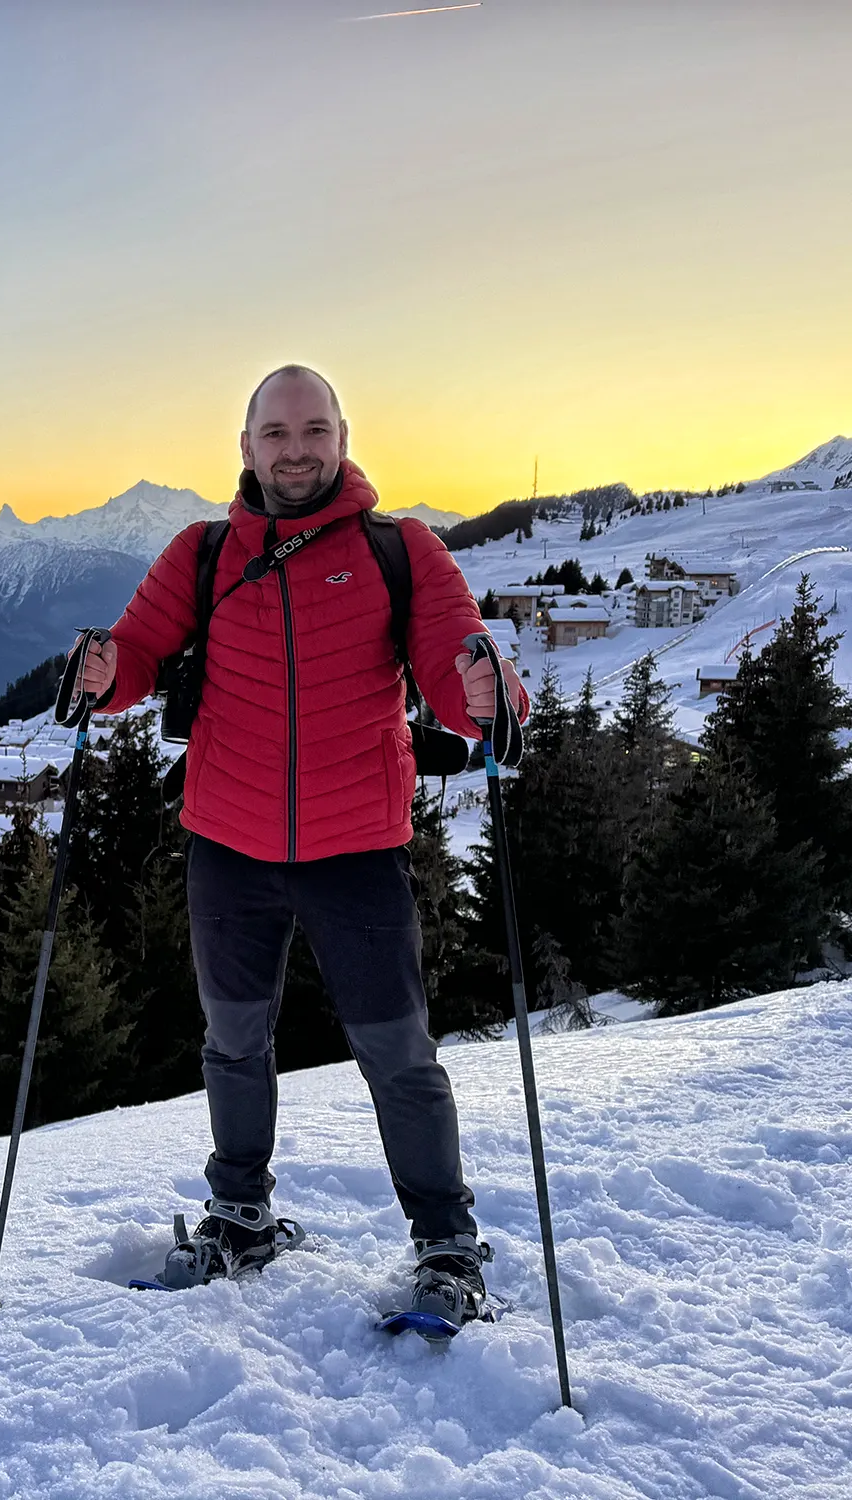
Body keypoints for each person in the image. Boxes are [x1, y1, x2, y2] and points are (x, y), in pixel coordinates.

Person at [76, 364, 530, 1324]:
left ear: (342, 437)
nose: (295, 449)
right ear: (246, 447)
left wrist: (490, 698)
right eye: (276, 433)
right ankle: (240, 1216)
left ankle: (446, 1245)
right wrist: (105, 674)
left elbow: (457, 659)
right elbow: (141, 652)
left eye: (313, 429)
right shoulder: (202, 553)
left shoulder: (399, 551)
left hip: (357, 847)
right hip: (228, 845)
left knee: (398, 1054)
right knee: (234, 1044)